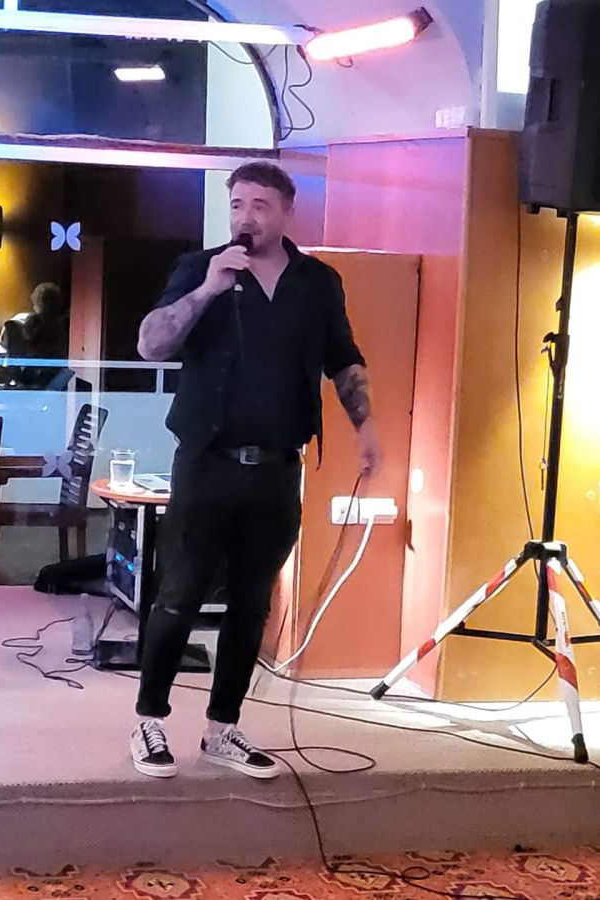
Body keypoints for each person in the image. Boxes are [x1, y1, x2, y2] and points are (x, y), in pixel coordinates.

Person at [132, 162, 379, 780]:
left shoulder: (317, 282)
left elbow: (343, 358)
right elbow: (151, 345)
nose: (246, 217)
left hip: (277, 469)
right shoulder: (199, 268)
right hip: (205, 463)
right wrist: (207, 290)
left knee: (251, 604)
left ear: (287, 212)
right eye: (238, 204)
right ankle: (149, 720)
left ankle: (223, 728)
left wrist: (365, 427)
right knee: (179, 594)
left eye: (260, 205)